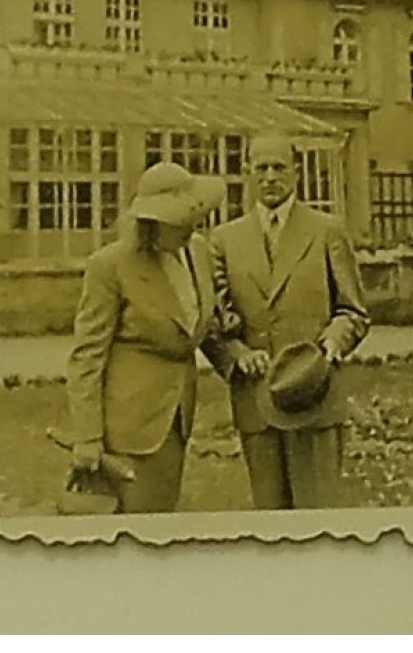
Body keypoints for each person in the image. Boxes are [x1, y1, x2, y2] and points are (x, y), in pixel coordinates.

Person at [202, 132, 370, 509]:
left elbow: (353, 310)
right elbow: (214, 322)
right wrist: (237, 353)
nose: (270, 177)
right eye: (261, 168)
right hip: (256, 400)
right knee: (270, 521)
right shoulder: (225, 239)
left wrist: (331, 345)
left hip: (314, 394)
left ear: (296, 172)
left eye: (279, 167)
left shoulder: (327, 230)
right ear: (247, 173)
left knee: (317, 517)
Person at [63, 161, 227, 514]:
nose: (188, 228)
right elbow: (87, 355)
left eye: (193, 218)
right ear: (148, 224)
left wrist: (238, 357)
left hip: (177, 414)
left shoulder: (197, 251)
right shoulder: (111, 266)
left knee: (162, 519)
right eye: (177, 222)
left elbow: (201, 326)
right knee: (129, 529)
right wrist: (87, 436)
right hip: (128, 426)